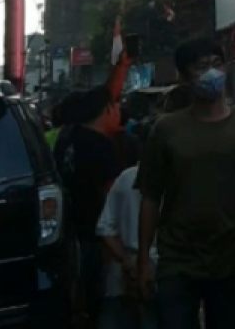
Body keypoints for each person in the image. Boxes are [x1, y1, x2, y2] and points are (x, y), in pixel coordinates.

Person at [136, 39, 235, 329]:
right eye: (201, 67)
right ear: (183, 76)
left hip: (232, 257)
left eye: (217, 64)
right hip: (177, 260)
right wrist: (142, 258)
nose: (212, 72)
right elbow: (151, 195)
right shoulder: (166, 130)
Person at [54, 86, 124, 328]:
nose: (119, 112)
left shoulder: (66, 138)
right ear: (106, 110)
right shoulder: (102, 145)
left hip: (71, 231)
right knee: (101, 295)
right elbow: (111, 193)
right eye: (116, 107)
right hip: (97, 234)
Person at [96, 134, 159, 329]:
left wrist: (127, 262)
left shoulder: (126, 178)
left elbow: (104, 228)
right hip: (163, 271)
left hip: (123, 273)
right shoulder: (179, 180)